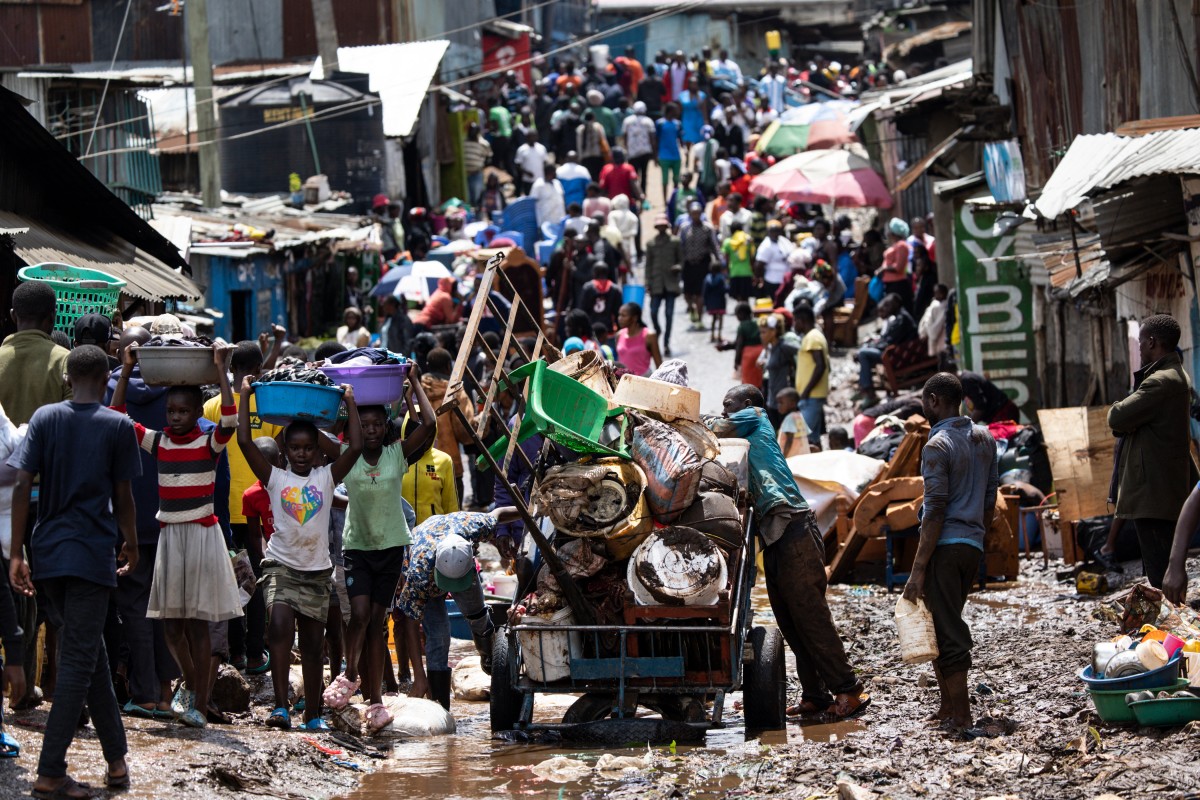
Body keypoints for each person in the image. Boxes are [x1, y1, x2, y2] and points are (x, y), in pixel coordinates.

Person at [8, 345, 140, 797]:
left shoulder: (45, 418)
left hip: (47, 556)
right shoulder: (118, 425)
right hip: (88, 556)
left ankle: (117, 762)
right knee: (80, 660)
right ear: (106, 380)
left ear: (67, 378)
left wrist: (15, 554)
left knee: (91, 654)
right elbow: (124, 496)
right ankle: (50, 772)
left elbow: (23, 484)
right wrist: (132, 543)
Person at [707, 384, 868, 720]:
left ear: (747, 405)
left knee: (810, 616)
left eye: (728, 405)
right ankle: (815, 696)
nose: (724, 412)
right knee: (789, 619)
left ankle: (850, 689)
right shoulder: (747, 436)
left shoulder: (754, 419)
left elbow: (715, 429)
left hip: (794, 529)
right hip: (778, 536)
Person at [110, 343, 243, 729]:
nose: (176, 417)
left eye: (184, 411)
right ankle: (188, 683)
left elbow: (231, 420)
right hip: (170, 536)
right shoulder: (160, 442)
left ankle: (199, 702)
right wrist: (125, 367)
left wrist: (222, 368)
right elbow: (119, 416)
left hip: (201, 536)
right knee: (172, 625)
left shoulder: (208, 442)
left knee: (198, 623)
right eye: (171, 411)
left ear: (198, 414)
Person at [239, 377, 363, 733]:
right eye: (295, 448)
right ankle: (280, 706)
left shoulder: (326, 477)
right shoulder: (275, 478)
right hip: (280, 565)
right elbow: (245, 441)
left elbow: (353, 447)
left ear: (318, 451)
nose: (302, 454)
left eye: (309, 448)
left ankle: (312, 713)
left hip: (317, 571)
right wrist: (246, 395)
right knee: (278, 627)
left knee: (312, 644)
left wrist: (349, 400)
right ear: (285, 451)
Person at [324, 379, 437, 727]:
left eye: (376, 425)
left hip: (390, 549)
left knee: (376, 625)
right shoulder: (348, 456)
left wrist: (412, 388)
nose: (370, 431)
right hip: (357, 546)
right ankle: (351, 673)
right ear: (353, 427)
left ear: (385, 426)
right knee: (358, 615)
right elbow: (316, 433)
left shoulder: (397, 454)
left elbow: (430, 425)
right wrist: (339, 400)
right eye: (363, 425)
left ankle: (375, 700)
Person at [902, 373, 998, 732]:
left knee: (949, 634)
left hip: (944, 548)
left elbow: (936, 509)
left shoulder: (937, 445)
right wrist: (980, 540)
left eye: (925, 402)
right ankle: (946, 705)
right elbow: (990, 499)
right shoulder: (985, 438)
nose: (923, 408)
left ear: (934, 401)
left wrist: (918, 569)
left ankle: (962, 714)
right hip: (971, 545)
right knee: (943, 623)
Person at [0, 281, 72, 711]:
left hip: (5, 501)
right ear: (51, 321)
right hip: (51, 497)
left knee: (11, 592)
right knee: (55, 596)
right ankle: (62, 687)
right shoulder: (65, 361)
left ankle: (20, 683)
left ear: (13, 317)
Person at [202, 340, 283, 676]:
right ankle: (253, 653)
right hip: (259, 509)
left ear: (231, 367)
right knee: (259, 580)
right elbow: (280, 452)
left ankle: (235, 652)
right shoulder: (267, 407)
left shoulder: (211, 407)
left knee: (230, 582)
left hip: (222, 507)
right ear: (259, 371)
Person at [396, 508, 521, 710]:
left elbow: (498, 514)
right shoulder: (418, 574)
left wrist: (531, 511)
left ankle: (490, 662)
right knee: (439, 637)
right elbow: (410, 622)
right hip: (428, 572)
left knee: (478, 616)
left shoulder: (474, 526)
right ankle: (440, 704)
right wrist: (419, 676)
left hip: (458, 557)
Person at [1108, 314, 1195, 590]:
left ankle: (1173, 628)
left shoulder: (1160, 381)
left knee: (1160, 575)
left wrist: (1118, 409)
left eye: (1141, 342)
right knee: (1161, 568)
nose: (1140, 348)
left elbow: (1117, 417)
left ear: (1153, 342)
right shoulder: (1174, 375)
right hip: (1160, 487)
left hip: (1153, 492)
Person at [420, 348, 476, 507]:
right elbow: (464, 429)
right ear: (448, 367)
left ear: (427, 365)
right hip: (449, 462)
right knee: (453, 513)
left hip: (420, 463)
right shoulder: (455, 392)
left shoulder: (416, 388)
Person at [855, 294, 917, 406]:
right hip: (894, 353)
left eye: (889, 305)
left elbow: (889, 342)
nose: (887, 308)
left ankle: (868, 392)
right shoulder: (898, 317)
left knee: (863, 354)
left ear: (897, 304)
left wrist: (872, 346)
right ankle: (864, 388)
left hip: (896, 356)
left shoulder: (901, 318)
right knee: (864, 351)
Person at [678, 201, 720, 330]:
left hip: (702, 264)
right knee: (687, 293)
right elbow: (680, 246)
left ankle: (700, 318)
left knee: (700, 293)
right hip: (688, 264)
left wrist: (719, 261)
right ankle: (691, 309)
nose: (695, 216)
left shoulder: (707, 228)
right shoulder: (684, 228)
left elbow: (714, 246)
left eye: (697, 213)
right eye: (693, 214)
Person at [644, 214, 682, 357]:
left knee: (669, 314)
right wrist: (647, 282)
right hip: (656, 283)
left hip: (670, 282)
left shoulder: (675, 242)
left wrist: (678, 267)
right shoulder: (651, 244)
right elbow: (648, 264)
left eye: (663, 225)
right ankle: (658, 330)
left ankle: (666, 342)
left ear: (666, 227)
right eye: (658, 225)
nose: (661, 228)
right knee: (653, 312)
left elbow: (681, 260)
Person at [794, 304, 829, 446]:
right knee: (813, 438)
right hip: (811, 395)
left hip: (811, 396)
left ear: (802, 320)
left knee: (804, 438)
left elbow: (821, 366)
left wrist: (806, 391)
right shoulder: (813, 336)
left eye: (795, 321)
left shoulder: (813, 338)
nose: (794, 325)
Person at [759, 313, 799, 429]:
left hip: (784, 401)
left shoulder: (784, 346)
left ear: (773, 331)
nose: (761, 336)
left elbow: (802, 351)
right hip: (772, 399)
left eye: (764, 332)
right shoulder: (771, 347)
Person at [876, 218, 913, 314]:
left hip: (898, 285)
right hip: (891, 285)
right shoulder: (895, 245)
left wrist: (884, 268)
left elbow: (899, 267)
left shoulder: (901, 246)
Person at [616, 302, 662, 377]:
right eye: (619, 315)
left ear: (635, 318)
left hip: (644, 380)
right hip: (623, 381)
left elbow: (659, 364)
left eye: (623, 316)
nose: (619, 318)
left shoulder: (649, 335)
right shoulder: (619, 335)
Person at [577, 263, 624, 334]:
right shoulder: (615, 289)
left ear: (594, 272)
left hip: (591, 329)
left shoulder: (587, 287)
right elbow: (618, 312)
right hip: (609, 329)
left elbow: (581, 310)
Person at [621, 101, 656, 193]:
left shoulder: (627, 121)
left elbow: (624, 137)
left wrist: (626, 149)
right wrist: (655, 154)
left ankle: (635, 194)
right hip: (645, 152)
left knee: (633, 175)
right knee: (644, 174)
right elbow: (652, 138)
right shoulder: (648, 121)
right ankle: (643, 194)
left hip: (632, 152)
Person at [755, 220, 793, 302]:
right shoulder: (766, 246)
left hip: (786, 279)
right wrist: (759, 279)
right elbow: (759, 265)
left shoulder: (783, 241)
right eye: (772, 231)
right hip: (773, 280)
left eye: (777, 231)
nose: (774, 233)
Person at [656, 103, 684, 202]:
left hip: (676, 155)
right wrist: (656, 155)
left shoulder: (678, 124)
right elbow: (656, 139)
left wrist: (684, 149)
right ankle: (665, 201)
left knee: (676, 180)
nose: (678, 112)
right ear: (670, 111)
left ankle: (675, 199)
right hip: (664, 155)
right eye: (676, 110)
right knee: (665, 180)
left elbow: (680, 138)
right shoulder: (660, 123)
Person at [732, 302, 764, 388]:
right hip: (761, 353)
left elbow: (739, 344)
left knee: (748, 384)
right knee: (760, 381)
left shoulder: (742, 326)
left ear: (741, 314)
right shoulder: (758, 322)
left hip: (748, 355)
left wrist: (736, 362)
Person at [461, 123, 492, 209]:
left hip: (477, 173)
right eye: (471, 131)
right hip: (465, 174)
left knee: (477, 197)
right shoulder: (463, 142)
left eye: (474, 131)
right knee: (468, 198)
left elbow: (488, 157)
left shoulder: (483, 144)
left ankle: (478, 216)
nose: (472, 133)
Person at [607, 194, 640, 272]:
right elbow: (634, 232)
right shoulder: (632, 216)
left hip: (616, 244)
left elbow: (612, 229)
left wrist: (619, 236)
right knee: (628, 266)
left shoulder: (612, 215)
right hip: (628, 243)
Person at [677, 76, 708, 159]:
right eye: (692, 84)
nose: (694, 86)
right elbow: (679, 110)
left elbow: (704, 110)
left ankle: (696, 160)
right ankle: (687, 159)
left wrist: (706, 121)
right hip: (686, 120)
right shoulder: (682, 95)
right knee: (687, 139)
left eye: (696, 84)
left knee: (698, 141)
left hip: (698, 120)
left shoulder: (702, 95)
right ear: (689, 84)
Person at [775, 387, 811, 458]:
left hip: (791, 456)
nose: (778, 406)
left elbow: (789, 441)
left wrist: (784, 458)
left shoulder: (789, 419)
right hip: (802, 455)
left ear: (792, 404)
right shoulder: (800, 416)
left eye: (781, 403)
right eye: (778, 403)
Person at [529, 163, 565, 228]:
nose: (556, 174)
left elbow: (562, 198)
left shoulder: (557, 183)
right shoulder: (538, 185)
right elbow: (531, 202)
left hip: (559, 221)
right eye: (554, 172)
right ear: (549, 173)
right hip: (545, 222)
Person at [918, 284, 950, 358]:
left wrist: (930, 331)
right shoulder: (934, 304)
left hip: (940, 338)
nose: (937, 295)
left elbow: (937, 326)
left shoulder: (943, 306)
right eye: (935, 293)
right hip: (931, 334)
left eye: (939, 293)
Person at [576, 110, 608, 181]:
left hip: (585, 157)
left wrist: (580, 157)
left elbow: (579, 144)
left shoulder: (580, 129)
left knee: (588, 175)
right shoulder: (598, 127)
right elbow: (604, 141)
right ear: (593, 118)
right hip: (598, 155)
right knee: (598, 175)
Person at [513, 129, 547, 196]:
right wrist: (526, 173)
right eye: (530, 136)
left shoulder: (542, 148)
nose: (532, 138)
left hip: (540, 179)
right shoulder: (521, 150)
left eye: (534, 136)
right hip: (527, 181)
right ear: (527, 137)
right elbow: (517, 165)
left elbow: (545, 163)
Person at [703, 260, 729, 343]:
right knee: (721, 318)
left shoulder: (707, 278)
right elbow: (725, 289)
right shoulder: (721, 278)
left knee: (714, 319)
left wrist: (705, 302)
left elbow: (704, 292)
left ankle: (712, 334)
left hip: (711, 302)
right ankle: (719, 335)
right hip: (720, 301)